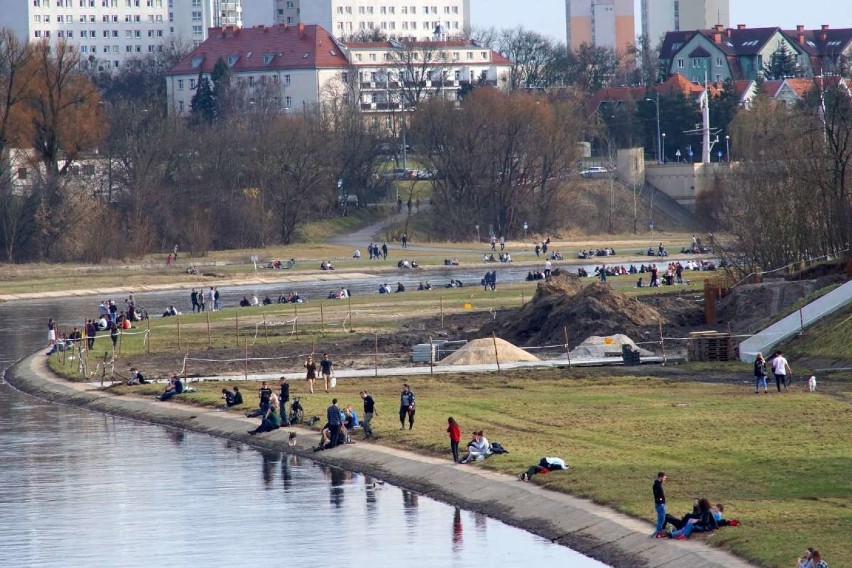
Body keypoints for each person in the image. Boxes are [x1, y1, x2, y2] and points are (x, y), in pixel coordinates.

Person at [653, 472, 667, 537]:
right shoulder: (656, 485)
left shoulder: (658, 484)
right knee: (661, 519)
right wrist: (661, 501)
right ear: (660, 477)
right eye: (664, 478)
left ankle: (659, 531)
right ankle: (659, 532)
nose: (664, 479)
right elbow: (658, 496)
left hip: (661, 504)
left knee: (661, 518)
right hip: (660, 504)